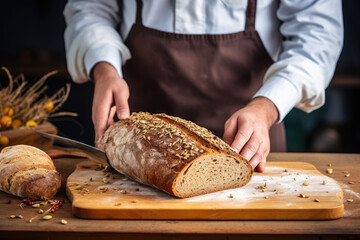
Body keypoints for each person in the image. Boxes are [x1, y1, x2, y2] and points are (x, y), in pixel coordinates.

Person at [64, 0, 343, 172]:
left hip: (250, 142)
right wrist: (105, 68)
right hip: (138, 152)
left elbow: (318, 35)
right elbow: (89, 8)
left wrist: (266, 108)